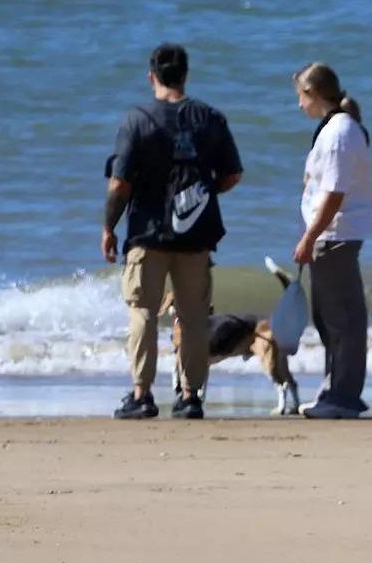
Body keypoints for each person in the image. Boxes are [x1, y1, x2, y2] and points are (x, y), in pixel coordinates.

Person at [102, 43, 243, 420]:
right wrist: (204, 191)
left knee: (143, 311)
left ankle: (142, 394)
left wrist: (108, 228)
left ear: (152, 77)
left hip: (148, 232)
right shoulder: (209, 118)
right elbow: (232, 175)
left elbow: (119, 185)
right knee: (194, 317)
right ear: (185, 75)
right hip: (196, 234)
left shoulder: (137, 119)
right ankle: (190, 395)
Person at [292, 63, 372, 419]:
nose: (299, 105)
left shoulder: (340, 131)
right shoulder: (334, 128)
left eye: (300, 96)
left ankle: (343, 396)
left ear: (313, 93)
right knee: (329, 319)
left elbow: (335, 193)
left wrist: (310, 236)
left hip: (335, 235)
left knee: (342, 320)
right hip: (331, 233)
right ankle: (335, 390)